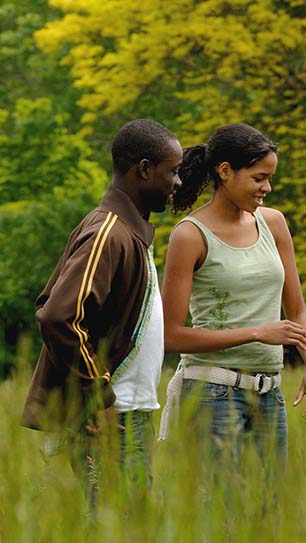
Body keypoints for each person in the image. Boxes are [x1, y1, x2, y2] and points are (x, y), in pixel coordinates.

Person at [21, 119, 183, 502]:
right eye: (172, 172)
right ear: (143, 169)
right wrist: (100, 396)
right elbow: (58, 315)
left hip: (129, 411)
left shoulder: (129, 229)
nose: (177, 182)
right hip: (114, 418)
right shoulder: (108, 232)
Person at [161, 123, 306, 474]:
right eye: (258, 178)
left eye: (269, 178)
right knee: (222, 512)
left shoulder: (274, 223)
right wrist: (256, 333)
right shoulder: (190, 236)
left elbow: (297, 311)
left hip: (269, 394)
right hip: (213, 394)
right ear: (225, 172)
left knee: (270, 512)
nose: (267, 188)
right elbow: (171, 335)